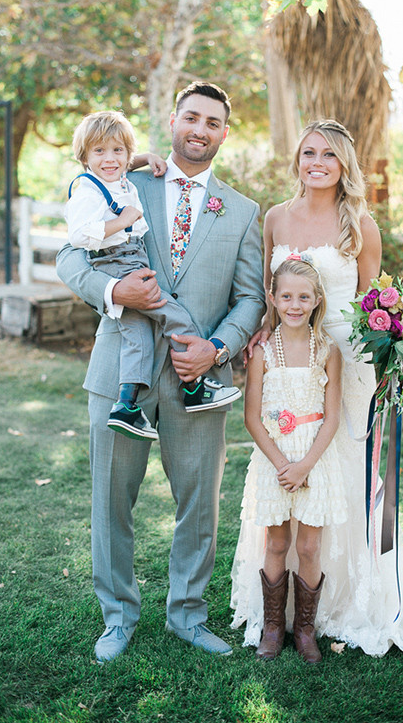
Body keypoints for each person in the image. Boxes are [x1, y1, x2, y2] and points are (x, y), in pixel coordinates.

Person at [231, 119, 403, 656]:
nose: (316, 163)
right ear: (298, 159)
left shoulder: (359, 224)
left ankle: (341, 605)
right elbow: (273, 293)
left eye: (329, 155)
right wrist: (265, 334)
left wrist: (389, 357)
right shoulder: (275, 217)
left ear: (344, 166)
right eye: (308, 152)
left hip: (347, 366)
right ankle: (276, 614)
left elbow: (369, 304)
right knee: (283, 469)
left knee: (340, 479)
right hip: (287, 364)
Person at [56, 82, 266, 662]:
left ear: (226, 132)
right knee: (110, 500)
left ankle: (188, 616)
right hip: (119, 372)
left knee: (199, 504)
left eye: (213, 122)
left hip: (197, 380)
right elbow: (70, 255)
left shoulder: (245, 212)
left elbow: (251, 299)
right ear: (173, 121)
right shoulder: (123, 182)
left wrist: (218, 349)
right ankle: (118, 618)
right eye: (191, 117)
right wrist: (113, 289)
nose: (200, 129)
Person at [65, 110, 242, 441]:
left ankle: (126, 405)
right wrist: (114, 288)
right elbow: (74, 243)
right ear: (172, 120)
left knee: (139, 339)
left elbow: (110, 163)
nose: (110, 158)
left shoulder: (122, 178)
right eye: (100, 151)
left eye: (118, 151)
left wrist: (141, 157)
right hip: (121, 264)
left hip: (130, 260)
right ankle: (196, 390)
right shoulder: (90, 189)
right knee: (177, 319)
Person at [243, 256, 345, 663]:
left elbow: (333, 416)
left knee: (308, 546)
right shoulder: (263, 351)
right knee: (277, 541)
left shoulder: (328, 350)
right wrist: (282, 463)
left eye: (304, 297)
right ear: (273, 298)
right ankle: (272, 627)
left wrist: (305, 465)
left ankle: (304, 629)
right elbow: (252, 417)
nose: (295, 304)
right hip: (274, 456)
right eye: (286, 296)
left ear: (317, 300)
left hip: (316, 459)